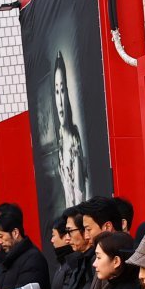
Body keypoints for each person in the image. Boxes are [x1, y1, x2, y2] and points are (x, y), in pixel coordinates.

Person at [53, 52, 87, 208]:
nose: (60, 100)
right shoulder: (60, 140)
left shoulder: (75, 139)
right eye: (56, 91)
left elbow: (80, 199)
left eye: (62, 90)